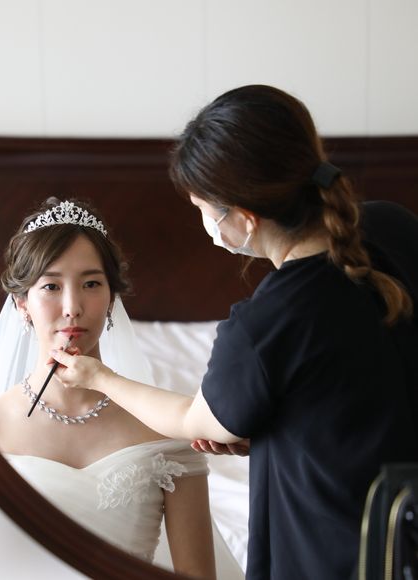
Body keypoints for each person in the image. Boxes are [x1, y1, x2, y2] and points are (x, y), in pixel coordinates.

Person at [49, 86, 418, 580]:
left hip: (342, 548)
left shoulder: (267, 322)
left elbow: (194, 420)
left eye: (203, 208)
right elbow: (363, 381)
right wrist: (276, 427)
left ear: (244, 218)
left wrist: (99, 377)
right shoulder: (396, 225)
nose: (206, 225)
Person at [0, 197, 243, 579]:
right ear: (21, 304)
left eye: (91, 284)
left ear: (112, 298)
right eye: (51, 286)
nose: (72, 307)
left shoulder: (165, 430)